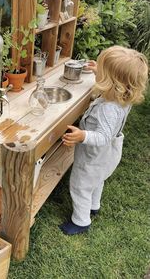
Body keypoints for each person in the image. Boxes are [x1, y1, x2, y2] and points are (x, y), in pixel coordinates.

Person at [59, 46, 149, 235]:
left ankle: (81, 221)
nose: (97, 71)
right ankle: (94, 205)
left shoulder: (108, 108)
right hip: (108, 155)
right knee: (97, 180)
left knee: (81, 185)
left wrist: (83, 136)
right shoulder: (122, 97)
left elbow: (102, 136)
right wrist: (98, 71)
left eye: (102, 70)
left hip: (93, 157)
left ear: (112, 81)